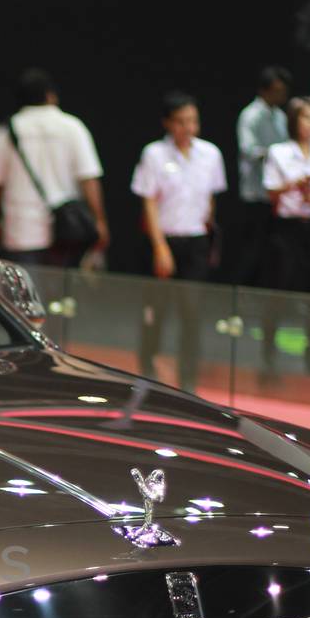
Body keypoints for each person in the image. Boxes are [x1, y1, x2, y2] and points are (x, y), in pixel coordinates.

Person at [130, 91, 228, 393]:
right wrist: (160, 246)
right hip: (164, 240)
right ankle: (147, 366)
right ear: (168, 123)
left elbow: (211, 196)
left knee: (192, 311)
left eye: (193, 121)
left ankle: (188, 377)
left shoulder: (210, 153)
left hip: (196, 242)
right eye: (181, 122)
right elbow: (148, 202)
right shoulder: (154, 154)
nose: (189, 128)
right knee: (156, 309)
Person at [0, 67, 108, 270]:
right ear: (50, 95)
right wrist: (99, 221)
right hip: (67, 230)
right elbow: (89, 178)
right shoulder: (72, 127)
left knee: (25, 297)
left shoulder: (8, 130)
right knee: (62, 296)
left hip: (21, 229)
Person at [262, 95, 310, 374]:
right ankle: (269, 352)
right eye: (308, 118)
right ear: (294, 121)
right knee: (280, 287)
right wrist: (292, 184)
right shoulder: (278, 152)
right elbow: (271, 192)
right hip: (286, 227)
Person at [236, 65, 291, 288]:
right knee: (252, 252)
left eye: (284, 90)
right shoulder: (251, 115)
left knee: (275, 254)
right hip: (255, 194)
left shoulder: (281, 116)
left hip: (277, 196)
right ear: (264, 90)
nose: (281, 95)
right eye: (277, 90)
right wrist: (277, 155)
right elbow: (248, 150)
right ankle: (237, 303)